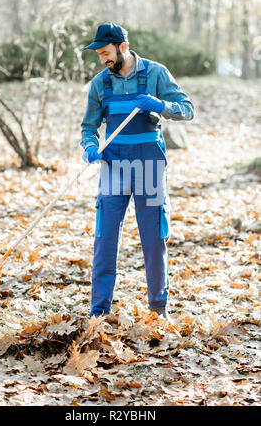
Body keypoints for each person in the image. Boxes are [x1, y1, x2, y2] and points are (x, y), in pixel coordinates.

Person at [81, 22, 195, 319]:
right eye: (99, 54)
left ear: (122, 47)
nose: (103, 59)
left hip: (149, 166)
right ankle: (98, 312)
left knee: (154, 237)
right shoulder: (99, 83)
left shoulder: (156, 73)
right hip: (113, 167)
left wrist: (161, 104)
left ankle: (159, 309)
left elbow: (187, 108)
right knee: (105, 238)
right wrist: (89, 145)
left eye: (106, 52)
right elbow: (88, 127)